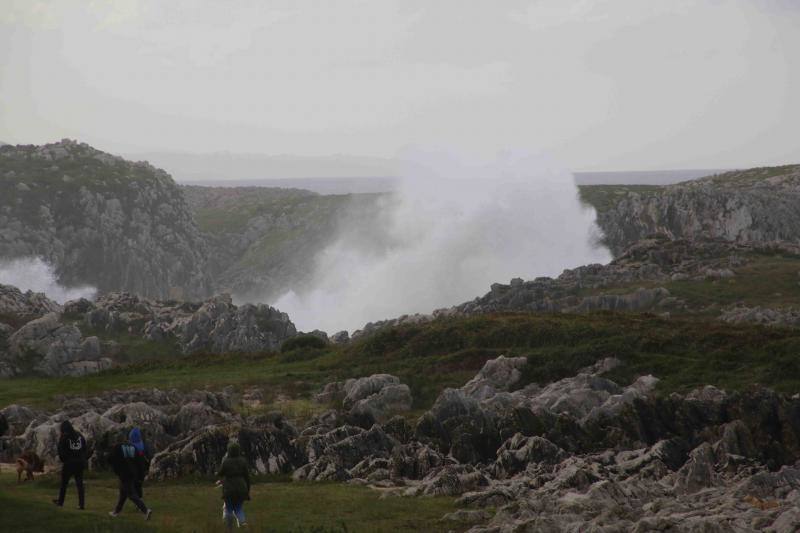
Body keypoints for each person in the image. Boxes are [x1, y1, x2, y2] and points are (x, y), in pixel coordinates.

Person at [107, 430, 153, 520]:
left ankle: (146, 510)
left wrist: (116, 469)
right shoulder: (132, 447)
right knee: (123, 492)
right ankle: (116, 511)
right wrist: (141, 476)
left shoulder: (117, 447)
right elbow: (139, 462)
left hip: (124, 474)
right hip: (133, 473)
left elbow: (110, 459)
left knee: (131, 494)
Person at [53, 420, 88, 509]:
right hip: (80, 462)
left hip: (69, 463)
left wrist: (65, 460)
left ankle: (60, 502)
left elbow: (61, 451)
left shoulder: (64, 437)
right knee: (79, 483)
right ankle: (81, 504)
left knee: (64, 484)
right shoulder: (79, 435)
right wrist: (83, 459)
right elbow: (85, 448)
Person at [216, 441, 250, 529]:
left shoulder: (226, 461)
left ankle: (229, 525)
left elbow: (220, 473)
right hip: (241, 487)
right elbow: (247, 477)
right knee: (239, 507)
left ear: (229, 450)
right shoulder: (243, 461)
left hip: (229, 489)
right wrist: (247, 490)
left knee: (229, 508)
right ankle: (242, 522)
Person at [127, 427, 150, 499]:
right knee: (138, 486)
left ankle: (139, 503)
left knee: (132, 486)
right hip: (141, 470)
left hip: (132, 470)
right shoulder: (143, 446)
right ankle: (140, 500)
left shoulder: (129, 447)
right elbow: (148, 457)